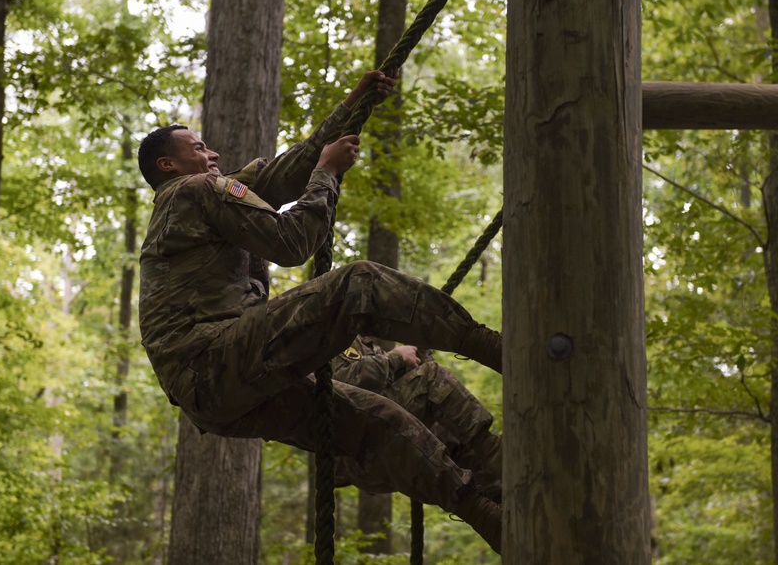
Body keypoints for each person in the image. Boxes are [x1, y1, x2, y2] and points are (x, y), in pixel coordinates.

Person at [137, 70, 503, 552]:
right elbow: (293, 243)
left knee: (374, 420)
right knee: (358, 284)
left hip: (212, 394)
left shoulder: (206, 197)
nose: (213, 155)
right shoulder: (192, 192)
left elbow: (287, 170)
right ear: (169, 164)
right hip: (212, 355)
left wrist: (353, 106)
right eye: (199, 148)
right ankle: (495, 349)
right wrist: (327, 175)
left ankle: (487, 514)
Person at [331, 337, 502, 501]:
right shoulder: (339, 334)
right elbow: (344, 380)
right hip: (361, 453)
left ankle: (496, 501)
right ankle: (493, 450)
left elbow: (406, 386)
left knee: (452, 436)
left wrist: (418, 350)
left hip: (381, 448)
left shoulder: (366, 344)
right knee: (431, 376)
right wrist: (396, 357)